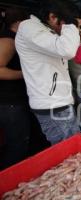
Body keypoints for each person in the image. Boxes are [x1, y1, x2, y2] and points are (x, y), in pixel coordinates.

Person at [15, 0, 81, 145]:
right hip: (51, 105)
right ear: (52, 17)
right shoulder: (29, 28)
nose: (63, 29)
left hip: (60, 102)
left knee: (74, 145)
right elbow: (67, 50)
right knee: (67, 151)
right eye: (64, 23)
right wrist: (71, 24)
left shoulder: (45, 31)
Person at [0, 8, 30, 169]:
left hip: (15, 102)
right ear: (20, 23)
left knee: (20, 142)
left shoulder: (16, 40)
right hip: (9, 103)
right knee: (17, 145)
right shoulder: (8, 40)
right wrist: (26, 74)